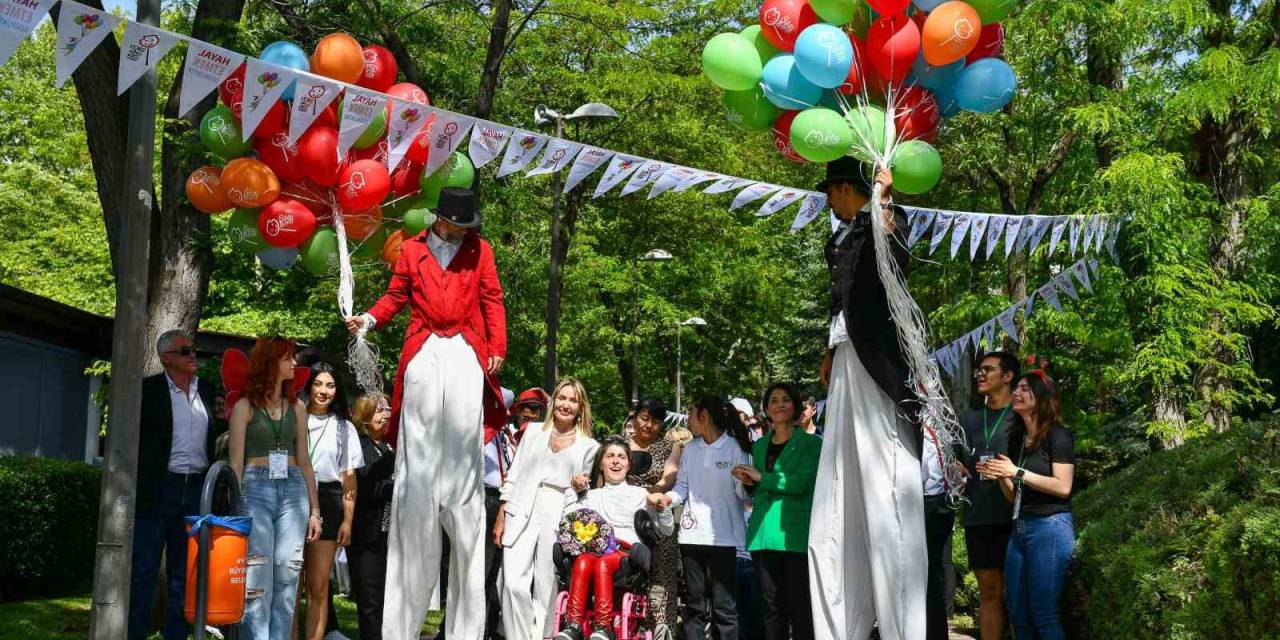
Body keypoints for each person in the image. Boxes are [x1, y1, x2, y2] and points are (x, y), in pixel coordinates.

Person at [345, 185, 508, 640]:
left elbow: (492, 299)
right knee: (417, 456)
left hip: (464, 345)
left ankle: (466, 626)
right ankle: (419, 485)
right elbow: (396, 296)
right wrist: (370, 319)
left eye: (467, 226)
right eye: (458, 223)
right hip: (423, 347)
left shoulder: (481, 251)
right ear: (441, 219)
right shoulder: (412, 250)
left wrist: (497, 347)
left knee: (460, 447)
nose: (462, 231)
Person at [809, 158, 926, 640]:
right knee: (837, 495)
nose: (828, 203)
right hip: (846, 359)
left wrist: (883, 196)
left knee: (885, 488)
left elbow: (894, 252)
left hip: (876, 367)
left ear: (844, 188)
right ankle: (842, 624)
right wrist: (832, 348)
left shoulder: (883, 222)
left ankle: (901, 626)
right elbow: (843, 300)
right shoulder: (838, 238)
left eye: (831, 192)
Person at [129, 330, 222, 640]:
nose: (192, 354)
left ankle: (176, 636)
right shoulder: (148, 391)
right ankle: (135, 633)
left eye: (193, 349)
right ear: (166, 358)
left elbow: (218, 432)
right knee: (144, 571)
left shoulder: (207, 391)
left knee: (185, 574)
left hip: (195, 489)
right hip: (159, 488)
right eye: (185, 351)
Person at [228, 336, 322, 640]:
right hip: (255, 488)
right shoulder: (244, 407)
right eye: (287, 358)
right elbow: (236, 465)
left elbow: (305, 461)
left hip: (294, 490)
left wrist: (315, 511)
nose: (294, 363)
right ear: (270, 362)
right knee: (258, 573)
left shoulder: (298, 407)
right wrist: (235, 509)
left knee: (288, 570)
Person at [495, 378, 601, 640]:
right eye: (562, 398)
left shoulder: (590, 446)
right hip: (522, 506)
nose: (566, 404)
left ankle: (541, 634)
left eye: (573, 400)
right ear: (554, 400)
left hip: (558, 511)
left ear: (581, 407)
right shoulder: (532, 432)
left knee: (546, 586)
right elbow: (514, 474)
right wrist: (502, 514)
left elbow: (586, 493)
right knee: (511, 583)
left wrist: (578, 488)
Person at [978, 371, 1076, 640]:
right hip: (1020, 528)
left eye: (1025, 389)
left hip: (1050, 527)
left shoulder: (1058, 436)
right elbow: (1013, 497)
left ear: (1042, 397)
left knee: (1044, 614)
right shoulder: (1016, 440)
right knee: (1018, 614)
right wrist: (1001, 475)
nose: (1017, 393)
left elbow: (1063, 486)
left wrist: (1017, 471)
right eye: (1017, 388)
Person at [555, 436, 675, 640]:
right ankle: (573, 624)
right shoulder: (590, 496)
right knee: (583, 560)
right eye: (610, 456)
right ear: (601, 464)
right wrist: (573, 492)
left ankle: (604, 626)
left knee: (603, 562)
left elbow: (666, 530)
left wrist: (663, 508)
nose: (616, 461)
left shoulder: (640, 494)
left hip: (624, 551)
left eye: (621, 457)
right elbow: (569, 520)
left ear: (629, 465)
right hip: (592, 550)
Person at [655, 395, 753, 640]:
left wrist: (745, 482)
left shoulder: (735, 448)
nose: (687, 418)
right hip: (691, 538)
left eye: (690, 412)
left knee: (724, 608)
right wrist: (668, 498)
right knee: (694, 605)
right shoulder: (690, 449)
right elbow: (682, 488)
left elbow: (743, 494)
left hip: (725, 539)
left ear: (704, 415)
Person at [732, 383, 821, 640]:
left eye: (785, 400)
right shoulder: (759, 446)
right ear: (767, 408)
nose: (779, 404)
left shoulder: (811, 444)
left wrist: (762, 476)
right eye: (773, 400)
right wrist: (749, 483)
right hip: (762, 534)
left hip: (793, 534)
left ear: (795, 406)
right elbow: (760, 488)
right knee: (770, 609)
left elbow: (801, 483)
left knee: (800, 607)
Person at [302, 363, 365, 640]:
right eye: (318, 384)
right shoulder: (294, 416)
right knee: (289, 586)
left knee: (318, 586)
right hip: (293, 495)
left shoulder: (344, 428)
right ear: (308, 386)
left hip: (328, 499)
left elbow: (349, 479)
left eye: (330, 385)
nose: (324, 391)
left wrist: (348, 521)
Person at [960, 351, 1019, 640]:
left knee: (1020, 593)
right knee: (989, 591)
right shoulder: (968, 418)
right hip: (979, 516)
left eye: (988, 369)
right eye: (978, 370)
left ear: (1007, 376)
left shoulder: (1021, 417)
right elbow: (957, 462)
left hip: (1017, 516)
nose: (980, 374)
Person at [483, 387, 550, 637]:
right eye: (526, 409)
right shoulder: (501, 435)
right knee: (488, 575)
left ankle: (502, 629)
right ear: (515, 411)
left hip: (529, 515)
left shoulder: (540, 440)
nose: (530, 415)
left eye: (537, 410)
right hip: (497, 508)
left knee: (510, 579)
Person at [623, 398, 683, 634]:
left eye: (655, 422)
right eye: (644, 418)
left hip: (659, 515)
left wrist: (652, 493)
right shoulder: (619, 446)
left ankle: (661, 628)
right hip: (624, 516)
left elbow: (670, 477)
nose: (648, 425)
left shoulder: (670, 447)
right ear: (634, 417)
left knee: (662, 577)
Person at [348, 393, 395, 640]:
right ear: (365, 415)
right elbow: (366, 485)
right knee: (370, 597)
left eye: (387, 409)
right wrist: (395, 487)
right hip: (366, 534)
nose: (385, 415)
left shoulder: (388, 447)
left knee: (386, 594)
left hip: (388, 533)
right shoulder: (360, 446)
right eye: (378, 410)